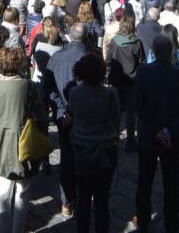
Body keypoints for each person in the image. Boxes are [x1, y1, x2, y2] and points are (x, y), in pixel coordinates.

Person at [0, 45, 48, 233]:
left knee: (2, 192)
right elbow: (41, 117)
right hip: (23, 142)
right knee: (23, 191)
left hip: (0, 142)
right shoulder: (29, 86)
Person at [133, 35, 179, 233]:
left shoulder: (144, 72)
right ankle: (171, 224)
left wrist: (155, 130)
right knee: (171, 183)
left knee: (145, 180)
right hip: (169, 138)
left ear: (154, 52)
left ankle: (142, 218)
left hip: (151, 137)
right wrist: (167, 131)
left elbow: (139, 106)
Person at [68, 53, 119, 233]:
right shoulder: (110, 94)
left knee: (83, 196)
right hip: (106, 148)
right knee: (102, 199)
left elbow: (73, 114)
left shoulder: (74, 93)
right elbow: (116, 119)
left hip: (82, 147)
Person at [49, 23, 90, 216]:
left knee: (66, 157)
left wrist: (62, 109)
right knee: (82, 156)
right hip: (80, 116)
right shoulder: (89, 59)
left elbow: (47, 89)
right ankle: (81, 198)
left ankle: (67, 201)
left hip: (63, 115)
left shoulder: (57, 57)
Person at [105, 15, 145, 150]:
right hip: (132, 80)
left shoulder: (115, 42)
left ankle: (114, 136)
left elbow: (109, 61)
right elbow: (142, 62)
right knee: (130, 111)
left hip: (117, 80)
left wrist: (109, 74)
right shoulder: (137, 42)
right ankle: (130, 139)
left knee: (116, 110)